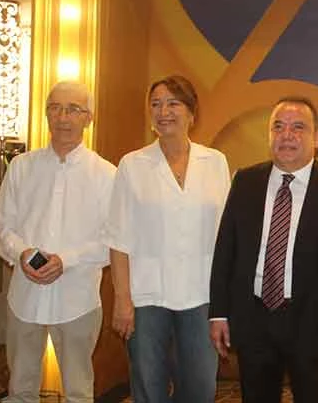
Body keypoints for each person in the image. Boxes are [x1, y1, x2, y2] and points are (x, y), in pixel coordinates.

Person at [208, 97, 318, 403]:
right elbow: (226, 250)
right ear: (269, 135)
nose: (287, 135)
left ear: (317, 137)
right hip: (254, 320)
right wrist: (218, 312)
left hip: (313, 324)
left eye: (298, 127)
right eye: (278, 127)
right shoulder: (246, 181)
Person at [105, 75, 230, 402]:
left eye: (173, 103)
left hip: (201, 295)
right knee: (148, 386)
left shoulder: (215, 162)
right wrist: (122, 299)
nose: (164, 112)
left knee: (200, 387)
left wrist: (226, 302)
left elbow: (226, 237)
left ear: (192, 113)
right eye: (156, 104)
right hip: (147, 296)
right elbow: (118, 239)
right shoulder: (132, 164)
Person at [0, 81, 115, 402]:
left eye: (73, 109)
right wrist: (22, 253)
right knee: (20, 390)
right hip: (25, 298)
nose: (63, 117)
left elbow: (112, 239)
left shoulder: (106, 174)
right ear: (46, 114)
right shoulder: (21, 167)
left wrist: (66, 260)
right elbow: (0, 223)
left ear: (89, 118)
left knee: (78, 392)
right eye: (55, 108)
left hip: (78, 299)